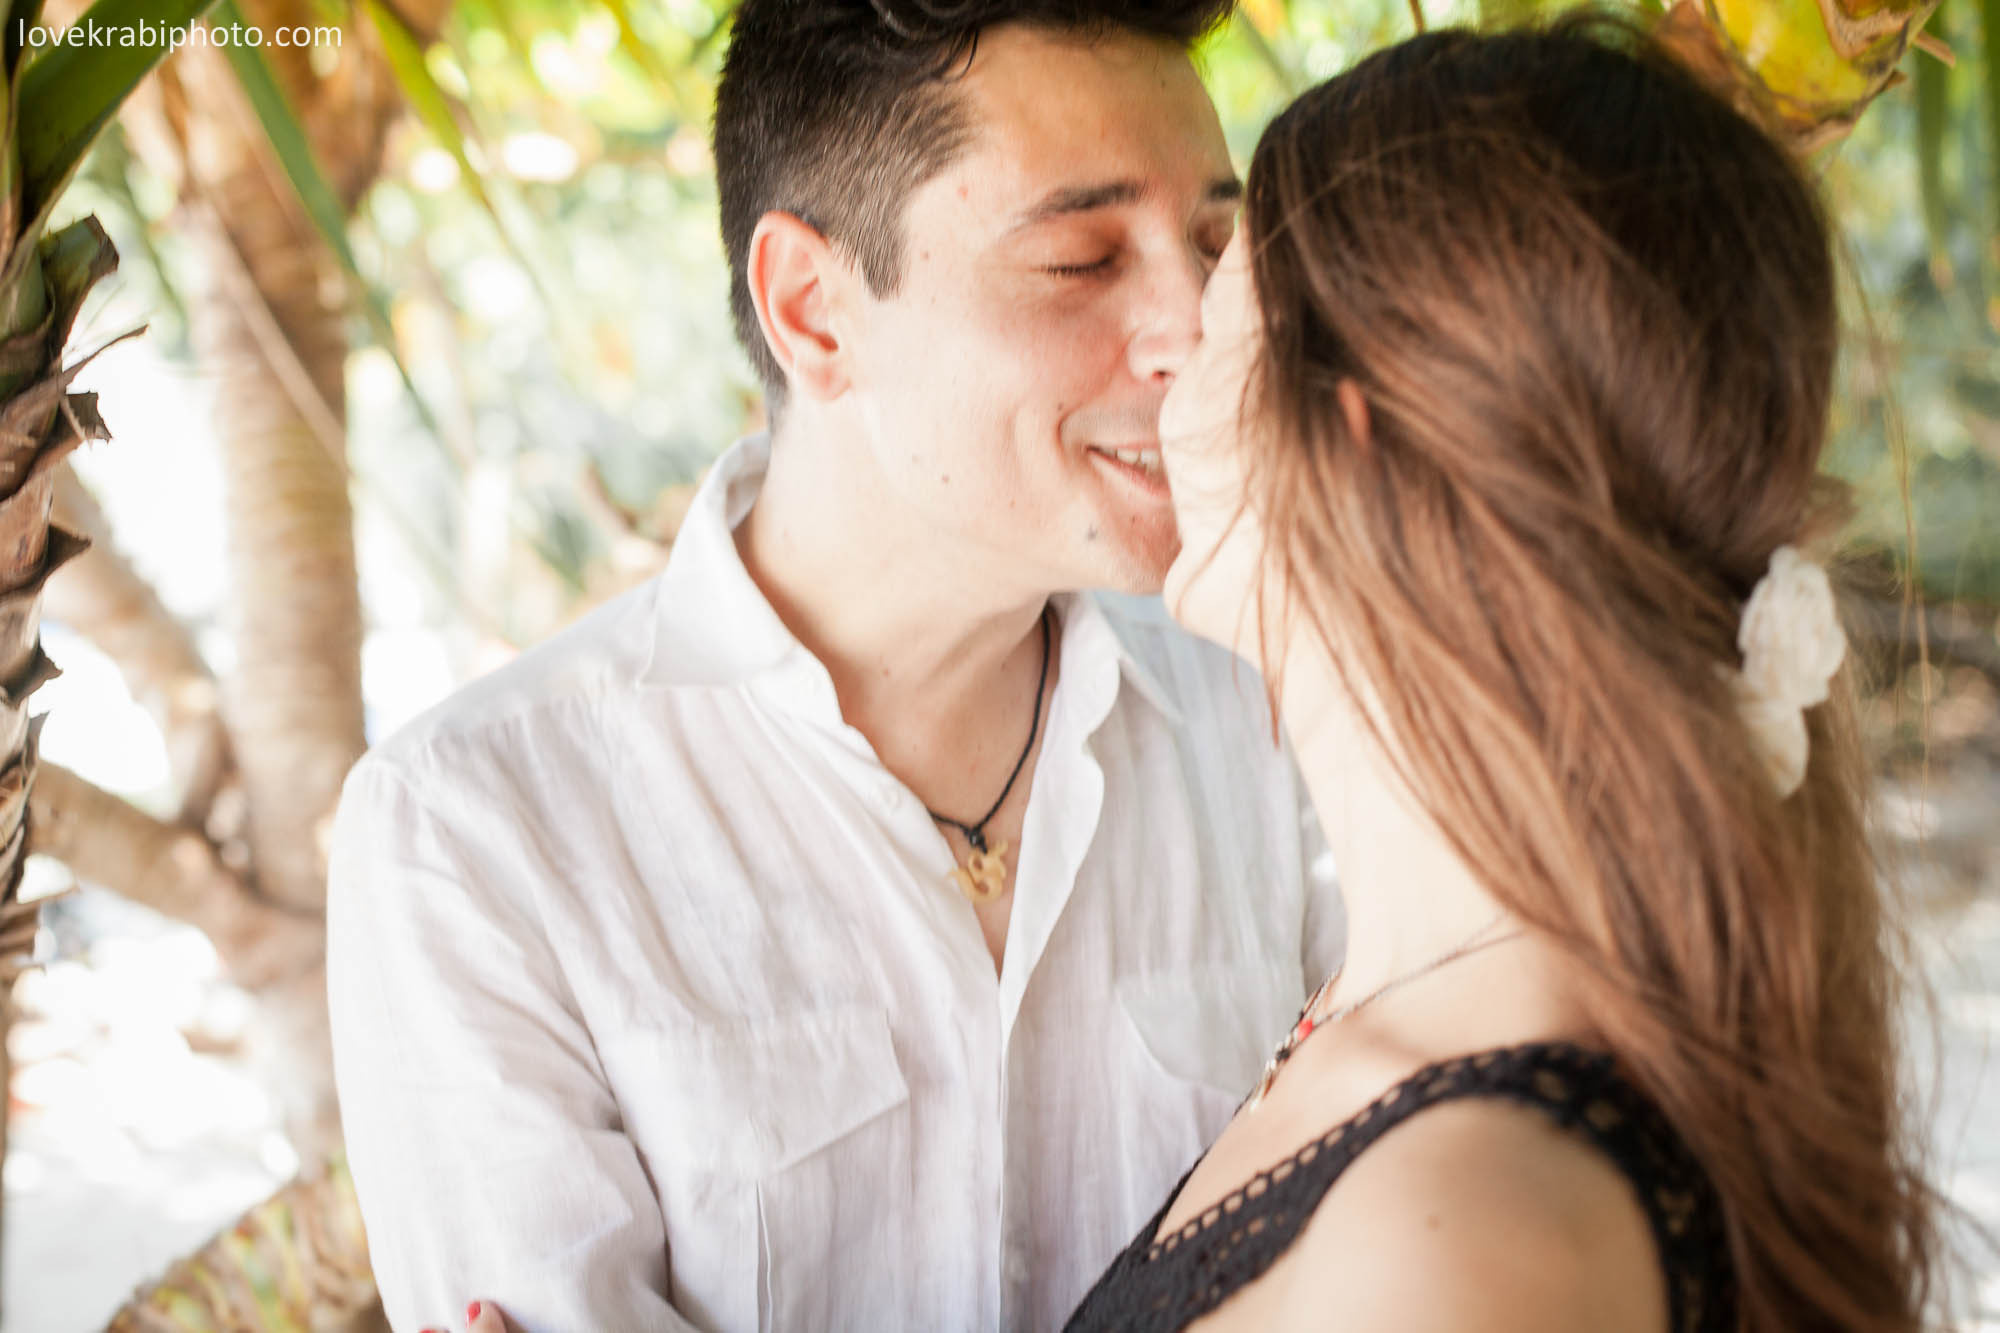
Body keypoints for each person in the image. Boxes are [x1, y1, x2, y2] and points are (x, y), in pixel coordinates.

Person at [324, 1, 1343, 1330]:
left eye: (1214, 245)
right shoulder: (475, 833)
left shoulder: (1282, 711)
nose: (1195, 330)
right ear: (814, 310)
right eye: (1083, 258)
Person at [1059, 18, 1942, 1332]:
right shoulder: (1410, 1013)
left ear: (1350, 448)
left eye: (1222, 316)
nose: (1162, 361)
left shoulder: (1461, 1246)